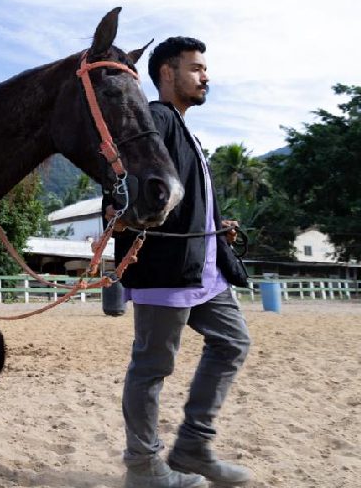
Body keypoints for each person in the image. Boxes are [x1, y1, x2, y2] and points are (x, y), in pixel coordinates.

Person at [106, 37, 253, 488]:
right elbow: (122, 186)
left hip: (205, 268)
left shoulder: (184, 128)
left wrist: (212, 221)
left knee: (232, 342)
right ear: (167, 74)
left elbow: (178, 192)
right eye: (196, 68)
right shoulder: (156, 119)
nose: (205, 76)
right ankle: (143, 467)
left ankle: (192, 446)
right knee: (151, 368)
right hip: (165, 269)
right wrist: (124, 217)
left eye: (204, 68)